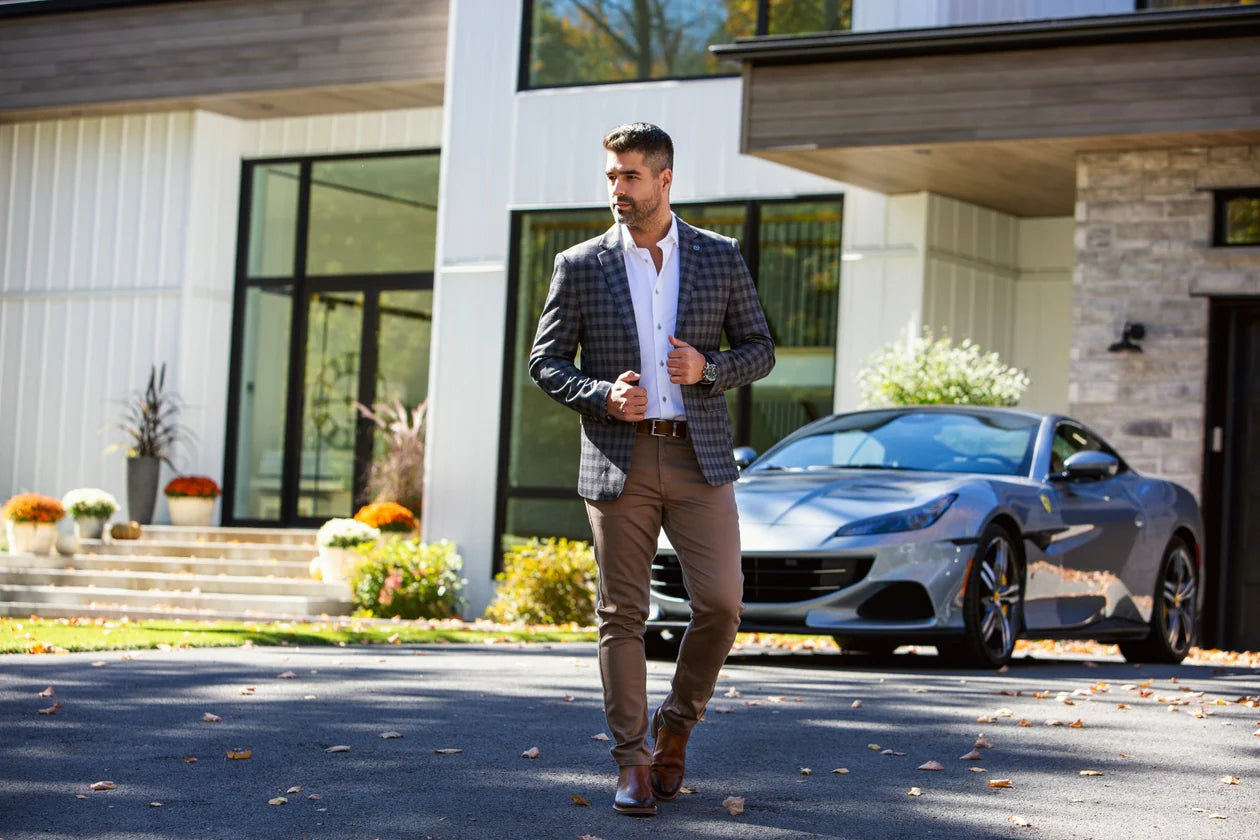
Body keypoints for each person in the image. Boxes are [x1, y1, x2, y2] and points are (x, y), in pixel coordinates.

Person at [529, 122, 775, 817]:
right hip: (619, 458)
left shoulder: (718, 257)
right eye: (611, 176)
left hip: (699, 455)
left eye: (631, 176)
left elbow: (760, 347)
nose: (618, 189)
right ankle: (633, 760)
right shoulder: (581, 264)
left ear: (665, 180)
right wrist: (600, 394)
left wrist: (713, 368)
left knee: (723, 604)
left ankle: (677, 726)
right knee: (622, 614)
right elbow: (545, 362)